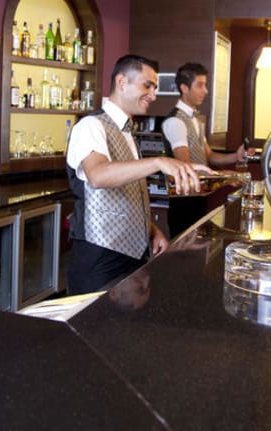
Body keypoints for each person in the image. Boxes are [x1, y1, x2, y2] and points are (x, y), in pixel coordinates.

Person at [66, 54, 209, 294]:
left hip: (133, 254)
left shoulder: (127, 130)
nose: (153, 95)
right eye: (147, 86)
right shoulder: (91, 126)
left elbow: (128, 193)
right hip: (100, 256)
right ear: (122, 82)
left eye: (155, 88)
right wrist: (159, 161)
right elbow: (98, 176)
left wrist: (152, 230)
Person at [161, 62, 250, 168]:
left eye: (205, 85)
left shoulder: (195, 118)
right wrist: (219, 175)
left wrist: (237, 156)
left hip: (202, 179)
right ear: (184, 88)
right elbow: (185, 167)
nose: (206, 91)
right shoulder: (175, 122)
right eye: (200, 85)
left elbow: (209, 156)